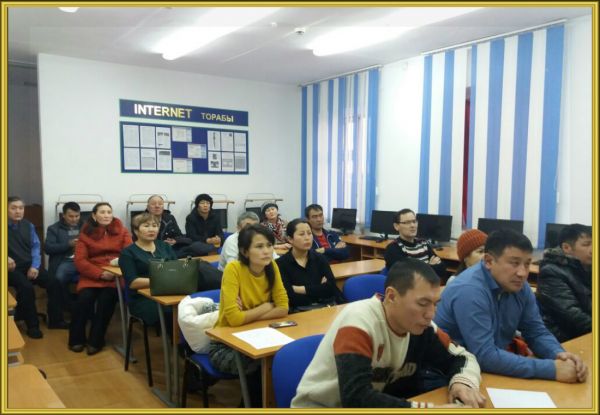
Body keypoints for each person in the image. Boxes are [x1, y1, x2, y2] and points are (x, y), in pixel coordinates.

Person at [291, 258, 485, 408]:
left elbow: (463, 357)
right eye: (423, 303)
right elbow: (355, 398)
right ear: (391, 296)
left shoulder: (422, 327)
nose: (431, 314)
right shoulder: (359, 321)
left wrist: (462, 383)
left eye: (435, 304)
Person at [434, 229, 588, 383]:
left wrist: (560, 355)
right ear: (489, 261)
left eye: (527, 264)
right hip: (451, 374)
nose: (522, 273)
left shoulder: (519, 286)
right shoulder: (469, 290)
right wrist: (551, 369)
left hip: (489, 369)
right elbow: (484, 355)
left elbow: (536, 332)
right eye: (514, 263)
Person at [208, 224, 289, 407]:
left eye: (269, 245)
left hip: (259, 336)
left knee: (282, 359)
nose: (266, 251)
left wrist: (247, 314)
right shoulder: (234, 269)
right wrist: (266, 306)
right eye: (259, 246)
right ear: (245, 251)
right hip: (225, 345)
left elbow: (283, 308)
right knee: (262, 365)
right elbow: (234, 320)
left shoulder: (272, 267)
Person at [69, 202, 132, 355]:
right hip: (92, 275)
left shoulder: (122, 231)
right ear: (94, 215)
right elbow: (80, 260)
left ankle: (95, 341)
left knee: (106, 302)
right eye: (102, 212)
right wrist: (100, 274)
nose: (106, 215)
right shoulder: (85, 233)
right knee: (83, 300)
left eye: (109, 212)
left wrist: (114, 272)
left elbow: (129, 255)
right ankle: (76, 339)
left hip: (114, 276)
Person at [7, 196, 67, 339]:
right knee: (26, 288)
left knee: (54, 282)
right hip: (10, 268)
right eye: (13, 208)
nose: (18, 211)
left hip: (29, 264)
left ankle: (55, 320)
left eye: (21, 208)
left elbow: (35, 247)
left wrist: (35, 266)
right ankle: (32, 326)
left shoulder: (28, 225)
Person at [118, 212, 176, 334]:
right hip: (143, 298)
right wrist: (161, 281)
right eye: (146, 226)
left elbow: (176, 269)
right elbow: (133, 282)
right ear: (136, 231)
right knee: (170, 313)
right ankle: (178, 343)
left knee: (190, 306)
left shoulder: (164, 246)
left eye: (155, 226)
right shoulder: (128, 253)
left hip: (170, 292)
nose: (151, 229)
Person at [537, 224, 592, 342]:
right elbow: (572, 316)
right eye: (586, 244)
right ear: (566, 248)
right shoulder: (551, 271)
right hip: (564, 338)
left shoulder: (588, 267)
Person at [276, 219, 345, 312]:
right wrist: (318, 289)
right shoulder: (281, 264)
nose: (307, 238)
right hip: (298, 313)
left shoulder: (320, 259)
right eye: (302, 234)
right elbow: (290, 296)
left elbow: (331, 288)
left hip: (325, 308)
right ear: (290, 239)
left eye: (309, 233)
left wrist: (298, 289)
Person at [44, 201, 83, 312]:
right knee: (59, 279)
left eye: (77, 216)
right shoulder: (53, 229)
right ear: (63, 215)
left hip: (83, 259)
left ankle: (85, 308)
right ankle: (70, 305)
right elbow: (48, 248)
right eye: (71, 216)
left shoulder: (85, 226)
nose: (74, 219)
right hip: (65, 261)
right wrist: (68, 244)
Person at [383, 209, 446, 277]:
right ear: (396, 226)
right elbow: (408, 276)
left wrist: (422, 269)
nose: (412, 225)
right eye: (407, 222)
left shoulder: (423, 243)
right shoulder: (393, 248)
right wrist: (430, 266)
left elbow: (442, 268)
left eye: (414, 221)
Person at [146, 194, 211, 258]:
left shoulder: (169, 218)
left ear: (163, 206)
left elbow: (179, 235)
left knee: (197, 248)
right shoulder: (142, 220)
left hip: (171, 248)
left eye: (160, 204)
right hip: (153, 250)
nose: (157, 206)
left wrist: (175, 241)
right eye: (153, 204)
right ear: (148, 207)